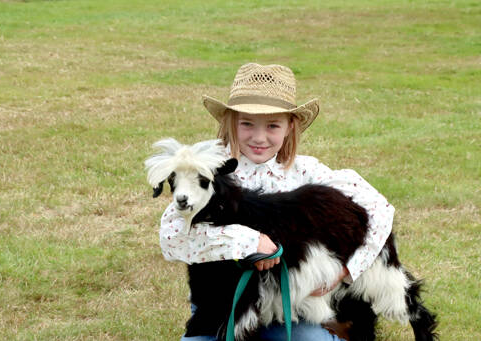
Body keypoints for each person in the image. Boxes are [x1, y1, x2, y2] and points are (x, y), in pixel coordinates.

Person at [159, 63, 394, 341]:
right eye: (247, 123)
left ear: (289, 127)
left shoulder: (307, 173)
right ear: (231, 122)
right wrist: (249, 242)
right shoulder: (206, 171)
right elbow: (172, 237)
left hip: (287, 309)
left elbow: (381, 212)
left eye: (272, 125)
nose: (259, 137)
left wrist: (345, 270)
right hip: (222, 306)